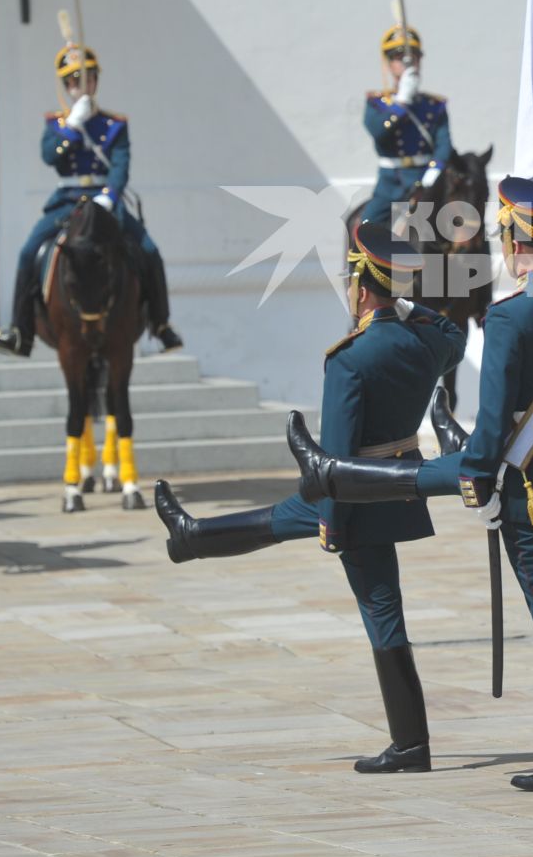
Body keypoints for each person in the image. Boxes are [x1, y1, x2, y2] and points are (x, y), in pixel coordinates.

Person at [287, 177, 533, 792]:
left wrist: (477, 481)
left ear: (511, 238)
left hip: (522, 478)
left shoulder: (508, 316)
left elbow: (497, 416)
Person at [154, 222, 464, 773]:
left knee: (382, 613)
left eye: (352, 279)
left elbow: (336, 460)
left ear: (362, 287)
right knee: (281, 520)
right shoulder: (425, 344)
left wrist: (333, 523)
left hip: (354, 495)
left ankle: (411, 744)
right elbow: (452, 335)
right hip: (400, 483)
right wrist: (406, 304)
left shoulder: (350, 358)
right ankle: (191, 536)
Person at [0, 41, 181, 357]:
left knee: (149, 250)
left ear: (95, 81)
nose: (81, 85)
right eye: (74, 81)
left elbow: (121, 165)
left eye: (87, 78)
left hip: (104, 200)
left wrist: (110, 196)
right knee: (28, 252)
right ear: (66, 86)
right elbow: (50, 156)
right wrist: (73, 126)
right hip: (68, 200)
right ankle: (20, 330)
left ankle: (161, 325)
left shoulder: (113, 124)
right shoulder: (56, 123)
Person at [360, 24, 451, 229]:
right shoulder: (377, 103)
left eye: (414, 57)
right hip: (391, 184)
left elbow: (444, 144)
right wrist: (401, 102)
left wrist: (434, 172)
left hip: (427, 180)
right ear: (389, 63)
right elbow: (378, 132)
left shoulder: (434, 105)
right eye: (399, 58)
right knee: (366, 228)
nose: (408, 63)